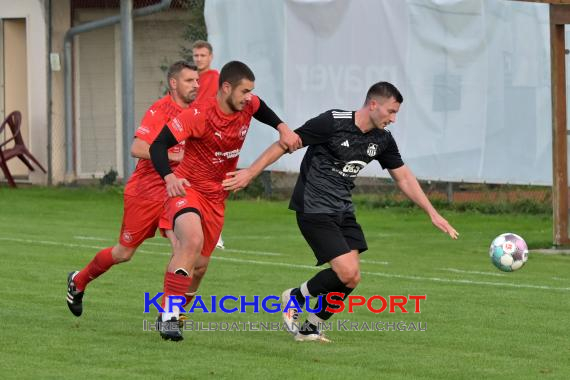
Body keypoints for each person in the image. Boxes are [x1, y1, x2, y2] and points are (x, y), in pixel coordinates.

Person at [222, 81, 459, 342]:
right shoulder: (333, 122)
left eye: (396, 113)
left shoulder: (382, 139)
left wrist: (432, 213)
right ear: (373, 105)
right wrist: (250, 173)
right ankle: (295, 297)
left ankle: (310, 329)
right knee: (346, 271)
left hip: (343, 209)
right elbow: (285, 143)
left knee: (351, 278)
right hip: (313, 207)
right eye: (391, 112)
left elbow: (403, 177)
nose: (393, 119)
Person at [149, 60, 302, 341]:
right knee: (191, 241)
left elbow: (262, 107)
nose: (249, 97)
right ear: (226, 88)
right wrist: (169, 177)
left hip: (216, 196)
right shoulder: (199, 114)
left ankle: (173, 312)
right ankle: (169, 316)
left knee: (200, 267)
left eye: (251, 92)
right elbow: (158, 145)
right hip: (187, 189)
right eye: (244, 91)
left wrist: (282, 127)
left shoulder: (248, 105)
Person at [66, 61, 200, 317]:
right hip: (146, 193)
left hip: (175, 194)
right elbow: (137, 148)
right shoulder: (161, 110)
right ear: (173, 83)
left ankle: (170, 313)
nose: (196, 85)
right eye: (189, 81)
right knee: (123, 252)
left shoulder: (196, 112)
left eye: (197, 81)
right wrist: (173, 156)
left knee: (184, 248)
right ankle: (78, 281)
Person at [190, 40, 225, 250]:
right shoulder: (191, 79)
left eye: (202, 55)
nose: (199, 59)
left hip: (209, 137)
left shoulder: (216, 78)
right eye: (196, 55)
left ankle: (216, 232)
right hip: (191, 134)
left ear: (210, 57)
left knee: (211, 184)